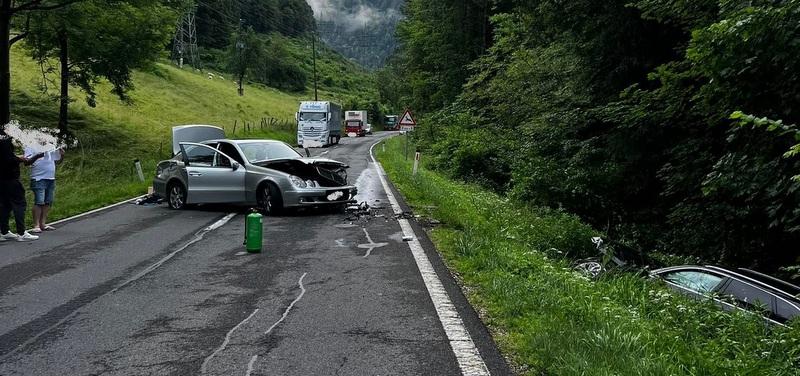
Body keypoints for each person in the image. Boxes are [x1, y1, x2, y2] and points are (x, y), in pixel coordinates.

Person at [0, 130, 45, 242]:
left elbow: (6, 157)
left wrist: (16, 157)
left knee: (5, 205)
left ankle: (4, 231)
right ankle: (21, 232)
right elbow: (8, 160)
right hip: (11, 178)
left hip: (2, 179)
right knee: (19, 204)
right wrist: (19, 159)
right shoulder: (4, 139)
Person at [24, 138, 64, 233]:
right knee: (39, 201)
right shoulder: (30, 147)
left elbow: (57, 161)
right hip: (38, 178)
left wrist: (62, 156)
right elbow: (27, 162)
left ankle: (43, 224)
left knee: (48, 201)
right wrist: (38, 156)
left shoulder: (51, 146)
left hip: (50, 178)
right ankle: (36, 225)